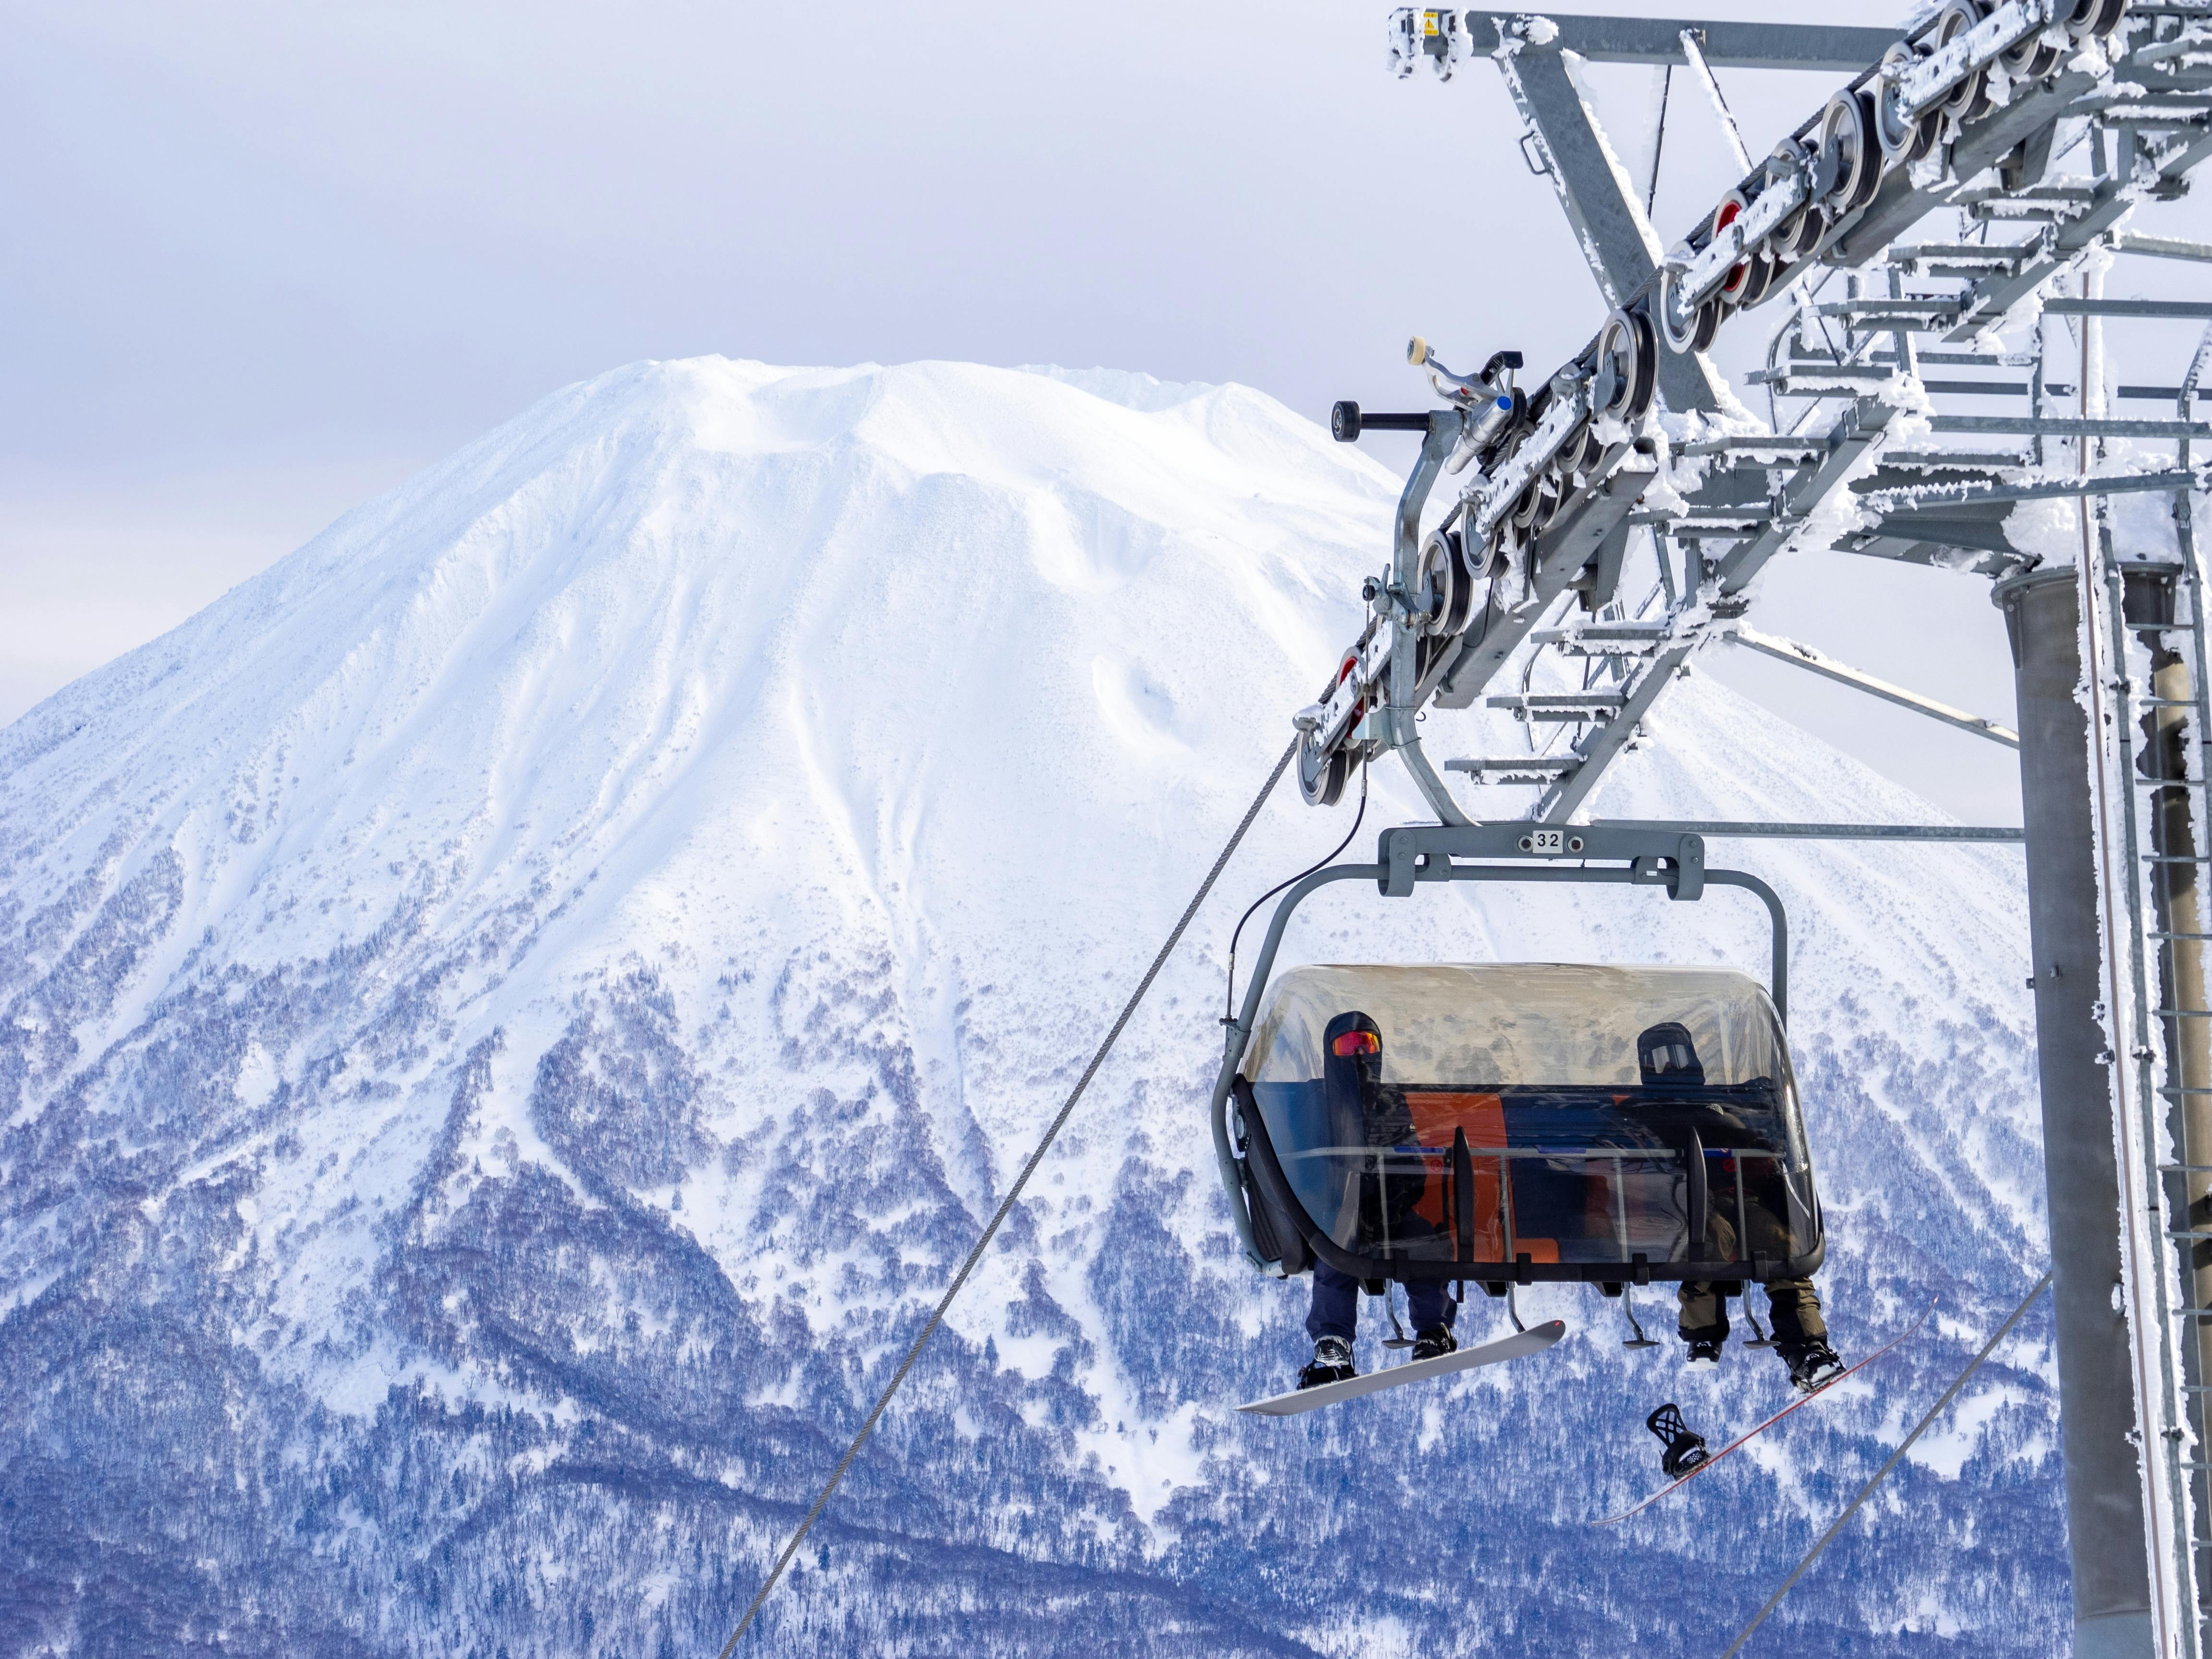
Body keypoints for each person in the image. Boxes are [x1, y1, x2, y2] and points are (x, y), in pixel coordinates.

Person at [1635, 1022, 1844, 1395]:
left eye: (1678, 1061)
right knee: (1710, 1242)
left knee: (1780, 1246)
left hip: (1727, 1203)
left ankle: (1804, 1350)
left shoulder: (1709, 1113)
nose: (1672, 1069)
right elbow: (1640, 1170)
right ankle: (1710, 1335)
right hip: (1682, 1207)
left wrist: (1760, 1163)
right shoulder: (1646, 1119)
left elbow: (1759, 1154)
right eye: (1664, 1063)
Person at [1298, 1011, 1459, 1388]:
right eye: (1349, 1047)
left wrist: (1397, 1195)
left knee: (1426, 1245)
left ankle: (1433, 1330)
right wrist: (1332, 1201)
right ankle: (1332, 1344)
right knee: (1336, 1248)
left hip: (1390, 1209)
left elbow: (1413, 1162)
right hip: (1338, 1211)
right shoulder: (1318, 1102)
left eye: (1366, 1046)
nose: (1358, 1057)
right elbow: (1305, 1168)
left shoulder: (1388, 1102)